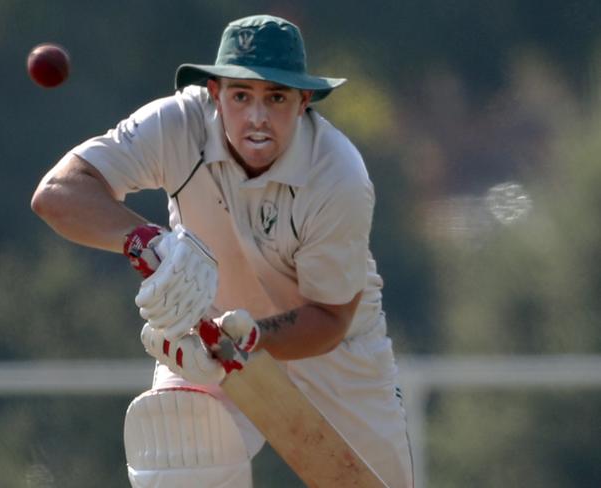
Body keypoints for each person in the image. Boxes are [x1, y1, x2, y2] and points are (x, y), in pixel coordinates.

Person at [31, 14, 414, 488]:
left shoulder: (338, 175)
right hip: (205, 338)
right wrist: (148, 241)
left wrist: (251, 337)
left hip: (332, 350)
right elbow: (57, 193)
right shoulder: (177, 124)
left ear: (303, 101)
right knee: (180, 450)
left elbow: (330, 318)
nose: (257, 117)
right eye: (241, 96)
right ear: (213, 93)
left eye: (275, 97)